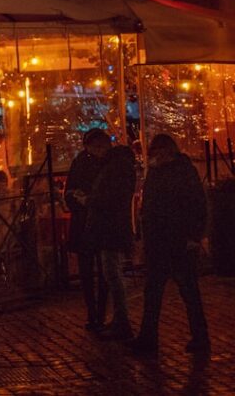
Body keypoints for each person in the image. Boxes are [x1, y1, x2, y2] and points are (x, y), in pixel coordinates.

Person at [128, 134, 210, 356]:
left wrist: (193, 236)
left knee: (187, 291)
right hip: (160, 241)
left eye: (162, 151)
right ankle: (149, 338)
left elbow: (197, 205)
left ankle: (199, 336)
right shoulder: (157, 172)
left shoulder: (182, 171)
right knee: (155, 292)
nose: (159, 155)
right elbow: (151, 207)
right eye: (156, 151)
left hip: (178, 240)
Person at [84, 130, 138, 340]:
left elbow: (109, 198)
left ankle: (122, 322)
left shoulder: (114, 167)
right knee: (112, 273)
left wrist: (90, 200)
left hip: (110, 227)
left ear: (100, 146)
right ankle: (119, 320)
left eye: (93, 150)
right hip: (112, 226)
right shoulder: (116, 165)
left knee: (113, 274)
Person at [65, 129, 110, 331]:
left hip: (98, 221)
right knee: (87, 271)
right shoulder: (80, 162)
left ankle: (99, 312)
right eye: (94, 146)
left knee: (103, 270)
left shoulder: (107, 164)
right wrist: (77, 200)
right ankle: (93, 312)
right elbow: (69, 192)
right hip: (85, 222)